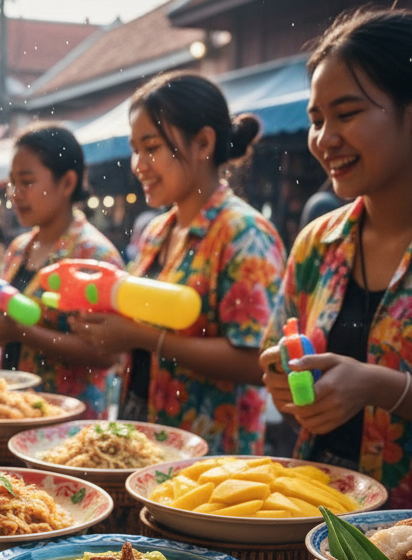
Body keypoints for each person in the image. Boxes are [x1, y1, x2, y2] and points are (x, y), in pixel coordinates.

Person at [260, 8, 412, 509]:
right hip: (314, 520)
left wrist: (380, 386)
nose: (324, 138)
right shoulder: (317, 243)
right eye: (317, 120)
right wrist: (284, 383)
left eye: (348, 113)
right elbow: (281, 363)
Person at [71, 72, 286, 453]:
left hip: (209, 454)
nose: (138, 164)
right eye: (135, 149)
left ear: (203, 142)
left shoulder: (243, 232)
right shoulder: (158, 230)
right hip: (144, 429)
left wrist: (139, 337)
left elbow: (257, 361)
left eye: (151, 147)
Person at [0, 125, 126, 416]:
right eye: (12, 183)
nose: (15, 194)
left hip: (68, 415)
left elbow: (105, 354)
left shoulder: (93, 254)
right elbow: (9, 309)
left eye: (26, 182)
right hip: (16, 407)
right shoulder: (19, 248)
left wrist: (20, 332)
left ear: (67, 183)